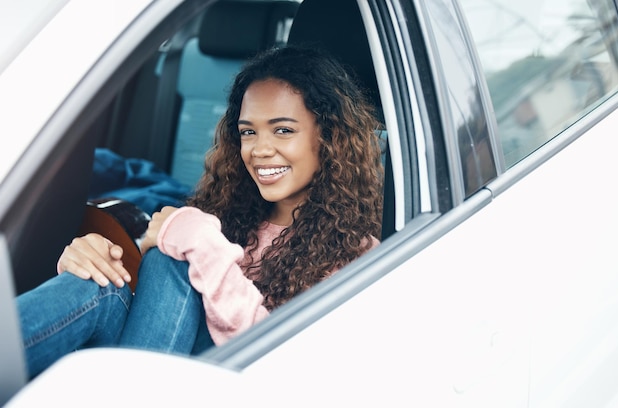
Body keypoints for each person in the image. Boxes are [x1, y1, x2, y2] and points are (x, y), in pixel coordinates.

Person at [16, 45, 383, 379]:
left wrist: (198, 243)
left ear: (328, 137)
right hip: (152, 366)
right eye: (248, 133)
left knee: (173, 262)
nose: (260, 149)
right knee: (98, 284)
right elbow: (151, 303)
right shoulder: (224, 214)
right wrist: (88, 258)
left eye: (283, 130)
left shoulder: (358, 254)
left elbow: (282, 368)